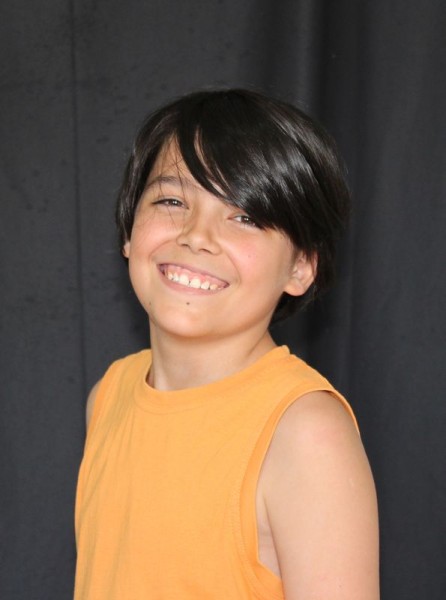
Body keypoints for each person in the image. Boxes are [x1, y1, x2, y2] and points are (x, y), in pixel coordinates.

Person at [74, 89, 379, 599]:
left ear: (301, 267)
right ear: (128, 227)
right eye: (172, 201)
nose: (197, 235)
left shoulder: (304, 432)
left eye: (246, 217)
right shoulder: (109, 395)